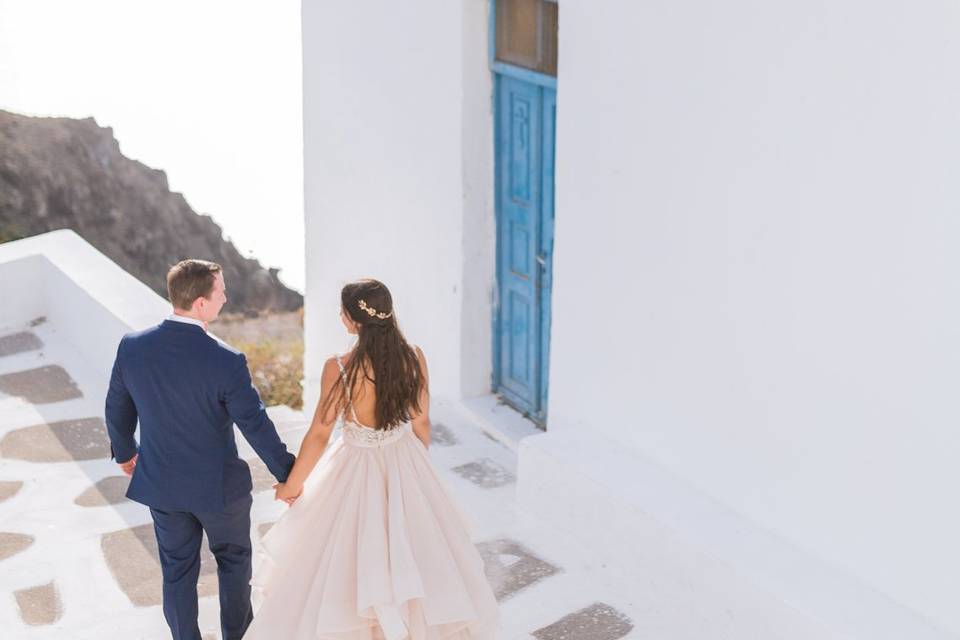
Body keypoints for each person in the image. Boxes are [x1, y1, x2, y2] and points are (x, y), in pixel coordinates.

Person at [244, 278, 499, 640]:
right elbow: (422, 421)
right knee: (413, 555)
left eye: (342, 311)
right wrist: (414, 471)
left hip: (355, 464)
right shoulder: (414, 357)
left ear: (351, 319)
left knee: (349, 559)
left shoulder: (341, 367)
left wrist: (291, 486)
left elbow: (319, 433)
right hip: (405, 459)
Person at [104, 259, 295, 640]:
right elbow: (254, 423)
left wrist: (126, 453)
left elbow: (116, 409)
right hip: (219, 490)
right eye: (220, 291)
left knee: (177, 571)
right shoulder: (226, 360)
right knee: (235, 564)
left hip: (163, 485)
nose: (226, 297)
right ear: (201, 304)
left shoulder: (133, 347)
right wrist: (288, 473)